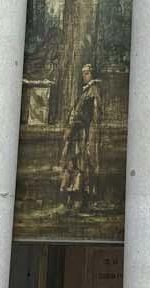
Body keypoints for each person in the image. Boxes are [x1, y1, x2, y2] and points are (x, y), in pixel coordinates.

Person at [58, 63, 102, 209]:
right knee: (73, 162)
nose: (84, 76)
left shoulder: (93, 91)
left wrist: (79, 123)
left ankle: (81, 197)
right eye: (83, 73)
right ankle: (71, 195)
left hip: (84, 131)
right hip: (77, 131)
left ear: (92, 74)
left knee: (83, 163)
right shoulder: (85, 91)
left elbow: (91, 115)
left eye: (87, 73)